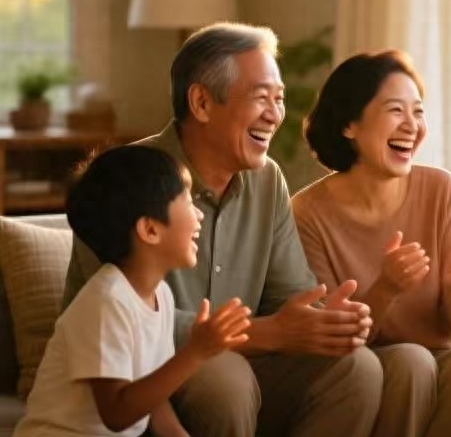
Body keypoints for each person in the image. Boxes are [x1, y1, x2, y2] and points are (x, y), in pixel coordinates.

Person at [62, 22, 383, 437]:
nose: (275, 114)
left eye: (279, 99)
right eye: (261, 97)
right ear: (201, 102)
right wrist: (265, 333)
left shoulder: (268, 180)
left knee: (357, 368)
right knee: (223, 374)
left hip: (239, 366)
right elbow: (119, 317)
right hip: (147, 374)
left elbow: (288, 298)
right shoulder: (127, 180)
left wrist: (321, 322)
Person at [293, 49, 451, 437]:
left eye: (418, 112)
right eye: (396, 111)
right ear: (349, 125)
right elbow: (326, 335)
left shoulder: (441, 189)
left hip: (438, 353)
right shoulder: (307, 213)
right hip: (364, 365)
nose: (412, 125)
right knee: (410, 361)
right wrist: (385, 289)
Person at [17, 145, 251, 437]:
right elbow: (117, 412)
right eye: (187, 201)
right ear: (150, 230)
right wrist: (195, 352)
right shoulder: (106, 301)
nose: (199, 215)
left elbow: (151, 397)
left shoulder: (161, 296)